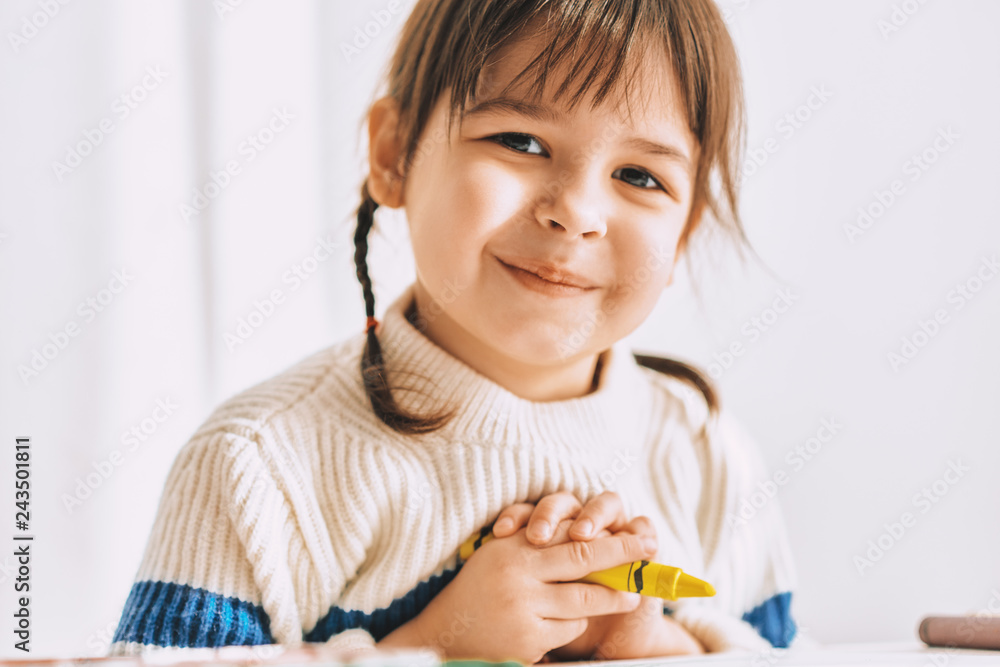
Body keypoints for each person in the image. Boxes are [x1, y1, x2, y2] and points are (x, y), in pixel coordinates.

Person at [109, 0, 801, 662]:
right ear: (394, 154)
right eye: (521, 141)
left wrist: (654, 646)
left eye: (639, 175)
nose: (578, 212)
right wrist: (433, 644)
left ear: (684, 234)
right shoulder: (257, 466)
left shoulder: (706, 452)